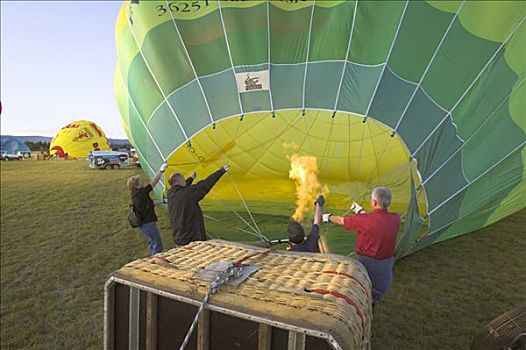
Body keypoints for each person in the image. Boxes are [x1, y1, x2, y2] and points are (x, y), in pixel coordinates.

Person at [324, 187, 400, 306]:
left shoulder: (366, 221)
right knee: (378, 290)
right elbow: (376, 221)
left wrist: (327, 217)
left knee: (364, 291)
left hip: (368, 263)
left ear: (374, 202)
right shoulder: (395, 219)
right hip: (386, 264)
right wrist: (360, 211)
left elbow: (342, 220)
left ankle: (366, 309)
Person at [167, 164, 229, 247]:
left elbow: (183, 187)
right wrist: (221, 171)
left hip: (179, 237)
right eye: (183, 179)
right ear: (178, 181)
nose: (185, 180)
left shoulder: (170, 193)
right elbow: (205, 184)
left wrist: (191, 178)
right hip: (191, 239)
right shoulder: (187, 194)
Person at [127, 162, 168, 256]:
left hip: (144, 225)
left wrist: (162, 201)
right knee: (157, 245)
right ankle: (155, 263)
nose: (143, 182)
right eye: (140, 181)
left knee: (152, 242)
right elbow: (154, 182)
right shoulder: (142, 193)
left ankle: (149, 260)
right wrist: (161, 170)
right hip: (148, 224)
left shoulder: (136, 195)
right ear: (136, 184)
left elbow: (149, 203)